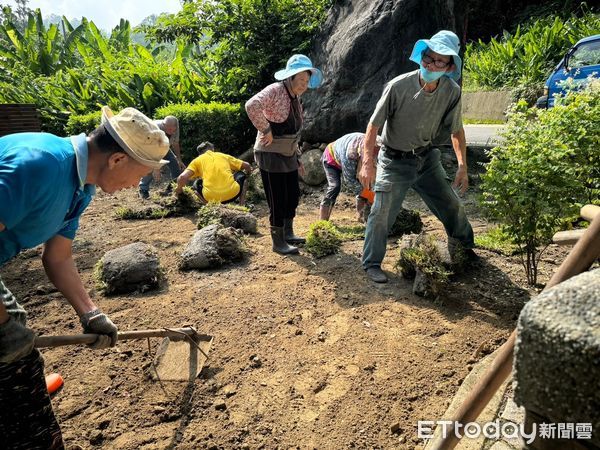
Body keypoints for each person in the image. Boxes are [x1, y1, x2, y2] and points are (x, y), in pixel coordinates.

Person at [0, 106, 170, 449]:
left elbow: (58, 256)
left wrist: (90, 313)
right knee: (15, 360)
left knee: (15, 335)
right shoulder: (38, 166)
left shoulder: (81, 187)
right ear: (118, 160)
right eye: (141, 174)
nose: (137, 184)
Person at [359, 30, 476, 284]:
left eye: (438, 61)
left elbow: (456, 129)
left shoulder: (451, 92)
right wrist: (367, 163)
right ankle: (371, 263)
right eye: (428, 58)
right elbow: (373, 126)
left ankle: (466, 248)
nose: (430, 65)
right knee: (381, 212)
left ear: (449, 67)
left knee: (451, 203)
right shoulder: (398, 86)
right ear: (421, 56)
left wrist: (462, 166)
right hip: (393, 160)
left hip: (426, 158)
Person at [245, 54, 323, 255]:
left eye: (306, 81)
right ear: (289, 78)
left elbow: (293, 132)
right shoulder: (276, 90)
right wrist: (265, 129)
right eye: (300, 80)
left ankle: (288, 233)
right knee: (277, 198)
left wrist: (297, 156)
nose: (304, 85)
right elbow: (251, 105)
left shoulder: (296, 98)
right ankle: (277, 241)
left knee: (293, 196)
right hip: (270, 154)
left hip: (288, 154)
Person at [320, 132, 381, 222]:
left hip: (351, 155)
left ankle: (361, 217)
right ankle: (323, 222)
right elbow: (350, 181)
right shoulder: (351, 155)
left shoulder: (378, 142)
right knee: (335, 186)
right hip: (331, 159)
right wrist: (370, 195)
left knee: (364, 183)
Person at [175, 141, 252, 205]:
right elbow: (247, 165)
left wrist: (179, 190)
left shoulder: (197, 161)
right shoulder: (223, 156)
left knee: (196, 185)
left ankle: (211, 208)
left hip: (212, 199)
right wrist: (249, 174)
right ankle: (242, 206)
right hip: (233, 193)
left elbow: (182, 177)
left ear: (200, 154)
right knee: (242, 175)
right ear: (212, 149)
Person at [138, 115, 185, 199]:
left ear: (175, 126)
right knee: (150, 167)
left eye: (172, 129)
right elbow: (154, 149)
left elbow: (175, 143)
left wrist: (179, 159)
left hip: (164, 146)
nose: (170, 131)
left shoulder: (176, 128)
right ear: (163, 125)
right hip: (149, 148)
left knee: (175, 163)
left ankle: (172, 188)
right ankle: (143, 189)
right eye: (168, 129)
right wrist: (156, 168)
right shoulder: (155, 128)